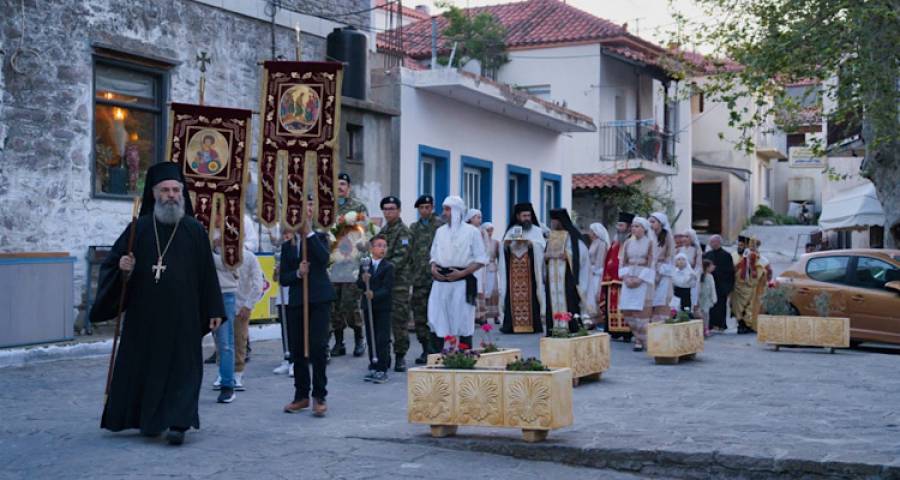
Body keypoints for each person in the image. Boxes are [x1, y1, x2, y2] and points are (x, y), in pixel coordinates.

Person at [92, 162, 225, 446]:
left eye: (176, 190)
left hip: (184, 316)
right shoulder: (137, 229)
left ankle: (179, 423)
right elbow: (115, 266)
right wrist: (123, 267)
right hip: (144, 316)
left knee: (183, 369)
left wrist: (214, 308)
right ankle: (148, 419)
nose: (171, 195)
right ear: (154, 194)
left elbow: (207, 275)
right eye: (165, 190)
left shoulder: (194, 230)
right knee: (145, 368)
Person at [280, 197, 336, 417]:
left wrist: (309, 233)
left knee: (316, 346)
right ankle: (301, 395)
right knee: (297, 348)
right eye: (303, 207)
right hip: (297, 301)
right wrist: (297, 273)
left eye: (310, 206)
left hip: (319, 299)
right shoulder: (289, 244)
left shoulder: (321, 236)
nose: (307, 210)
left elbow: (323, 260)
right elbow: (284, 277)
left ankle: (319, 395)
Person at [427, 196, 488, 351]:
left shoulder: (472, 232)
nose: (444, 213)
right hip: (440, 282)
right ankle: (436, 357)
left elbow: (481, 259)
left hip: (462, 282)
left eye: (447, 209)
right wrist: (433, 267)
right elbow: (433, 254)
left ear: (457, 211)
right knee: (437, 319)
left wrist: (462, 274)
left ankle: (464, 358)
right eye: (444, 209)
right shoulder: (439, 231)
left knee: (462, 321)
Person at [330, 173, 369, 358]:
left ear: (349, 187)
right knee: (334, 304)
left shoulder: (358, 206)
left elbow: (364, 233)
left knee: (350, 303)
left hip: (351, 263)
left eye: (343, 184)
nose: (340, 187)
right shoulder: (328, 207)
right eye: (337, 184)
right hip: (333, 264)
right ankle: (339, 342)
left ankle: (359, 339)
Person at [499, 203, 546, 334]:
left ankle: (533, 325)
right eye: (524, 215)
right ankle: (511, 325)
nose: (527, 218)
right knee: (511, 295)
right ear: (518, 216)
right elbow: (503, 249)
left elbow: (542, 247)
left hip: (530, 272)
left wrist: (531, 244)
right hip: (513, 273)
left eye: (529, 215)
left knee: (532, 296)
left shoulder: (536, 230)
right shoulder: (511, 230)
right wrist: (506, 245)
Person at [378, 196, 413, 371]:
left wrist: (382, 270)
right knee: (383, 320)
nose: (388, 212)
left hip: (398, 284)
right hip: (383, 284)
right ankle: (383, 356)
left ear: (399, 210)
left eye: (392, 208)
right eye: (385, 209)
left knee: (399, 321)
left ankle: (400, 356)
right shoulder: (382, 231)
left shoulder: (404, 232)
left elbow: (401, 257)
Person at [409, 195, 444, 365]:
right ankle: (425, 349)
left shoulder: (440, 226)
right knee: (420, 316)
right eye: (421, 208)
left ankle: (438, 349)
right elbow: (409, 252)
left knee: (437, 315)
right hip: (419, 279)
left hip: (437, 279)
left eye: (427, 207)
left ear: (432, 208)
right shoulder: (413, 228)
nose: (424, 210)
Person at [544, 209, 591, 333]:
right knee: (552, 300)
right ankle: (554, 328)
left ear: (561, 221)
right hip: (553, 277)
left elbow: (581, 253)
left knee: (569, 301)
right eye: (552, 220)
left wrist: (567, 255)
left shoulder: (573, 236)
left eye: (554, 221)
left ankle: (571, 327)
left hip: (567, 276)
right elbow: (546, 253)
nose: (552, 223)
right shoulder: (552, 236)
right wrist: (546, 256)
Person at [357, 235, 395, 384]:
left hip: (383, 307)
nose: (382, 248)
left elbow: (387, 288)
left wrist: (375, 294)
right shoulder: (366, 265)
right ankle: (373, 364)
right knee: (371, 335)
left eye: (384, 246)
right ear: (372, 248)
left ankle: (382, 368)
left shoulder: (388, 266)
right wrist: (363, 280)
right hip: (369, 306)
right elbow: (359, 284)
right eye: (379, 245)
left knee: (382, 338)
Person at [618, 217, 655, 351]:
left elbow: (652, 263)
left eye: (637, 226)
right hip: (628, 277)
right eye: (633, 226)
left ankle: (641, 340)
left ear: (644, 229)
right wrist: (626, 278)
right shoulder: (627, 242)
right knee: (627, 310)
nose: (634, 229)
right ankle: (637, 335)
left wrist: (640, 279)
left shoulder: (650, 243)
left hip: (643, 278)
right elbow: (622, 261)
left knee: (640, 311)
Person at [233, 243, 264, 390]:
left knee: (240, 340)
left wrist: (248, 304)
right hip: (224, 303)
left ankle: (238, 373)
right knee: (222, 342)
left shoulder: (250, 257)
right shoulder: (219, 254)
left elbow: (258, 284)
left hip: (241, 306)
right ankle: (223, 373)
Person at [600, 212, 634, 338]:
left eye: (621, 225)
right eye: (618, 225)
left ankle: (627, 332)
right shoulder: (615, 243)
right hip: (611, 281)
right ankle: (613, 331)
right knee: (612, 306)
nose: (618, 228)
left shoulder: (632, 242)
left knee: (625, 306)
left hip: (625, 281)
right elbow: (608, 260)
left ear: (629, 227)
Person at [732, 239, 770, 334]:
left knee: (751, 307)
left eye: (754, 246)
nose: (752, 248)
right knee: (738, 307)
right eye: (751, 246)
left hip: (753, 288)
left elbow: (767, 273)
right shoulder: (735, 256)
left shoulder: (762, 260)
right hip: (738, 288)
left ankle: (749, 325)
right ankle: (741, 325)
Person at [703, 235, 736, 332]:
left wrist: (728, 287)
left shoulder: (726, 255)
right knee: (710, 305)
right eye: (710, 242)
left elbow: (730, 272)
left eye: (713, 242)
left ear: (718, 242)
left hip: (721, 285)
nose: (711, 244)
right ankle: (710, 324)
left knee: (721, 306)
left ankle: (721, 325)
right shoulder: (707, 255)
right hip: (708, 284)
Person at [649, 212, 676, 324]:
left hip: (662, 269)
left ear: (660, 223)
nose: (650, 224)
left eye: (653, 222)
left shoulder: (667, 235)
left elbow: (670, 254)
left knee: (661, 297)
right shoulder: (649, 235)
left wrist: (662, 267)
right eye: (649, 221)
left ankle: (660, 319)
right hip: (650, 269)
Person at [585, 223, 610, 329]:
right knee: (589, 298)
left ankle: (600, 321)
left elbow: (600, 261)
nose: (589, 233)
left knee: (596, 297)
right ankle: (593, 320)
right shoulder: (593, 242)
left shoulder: (601, 243)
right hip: (590, 273)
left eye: (591, 231)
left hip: (596, 274)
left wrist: (593, 270)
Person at [465, 209, 486, 324]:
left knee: (479, 288)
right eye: (477, 217)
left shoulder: (482, 231)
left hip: (479, 264)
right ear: (470, 218)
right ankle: (470, 315)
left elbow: (485, 248)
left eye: (480, 217)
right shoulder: (466, 230)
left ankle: (480, 315)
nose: (479, 219)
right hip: (469, 263)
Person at [480, 223, 501, 325]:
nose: (490, 233)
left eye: (491, 230)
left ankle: (496, 316)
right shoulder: (480, 243)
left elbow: (499, 257)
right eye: (488, 230)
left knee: (493, 293)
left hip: (492, 268)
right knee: (483, 293)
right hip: (482, 269)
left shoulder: (496, 243)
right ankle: (483, 316)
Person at [698, 259, 717, 337]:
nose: (713, 267)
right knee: (704, 314)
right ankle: (704, 328)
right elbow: (712, 288)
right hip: (703, 297)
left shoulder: (708, 276)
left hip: (704, 297)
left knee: (704, 313)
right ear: (707, 267)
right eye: (711, 266)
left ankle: (705, 328)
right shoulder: (705, 276)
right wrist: (714, 298)